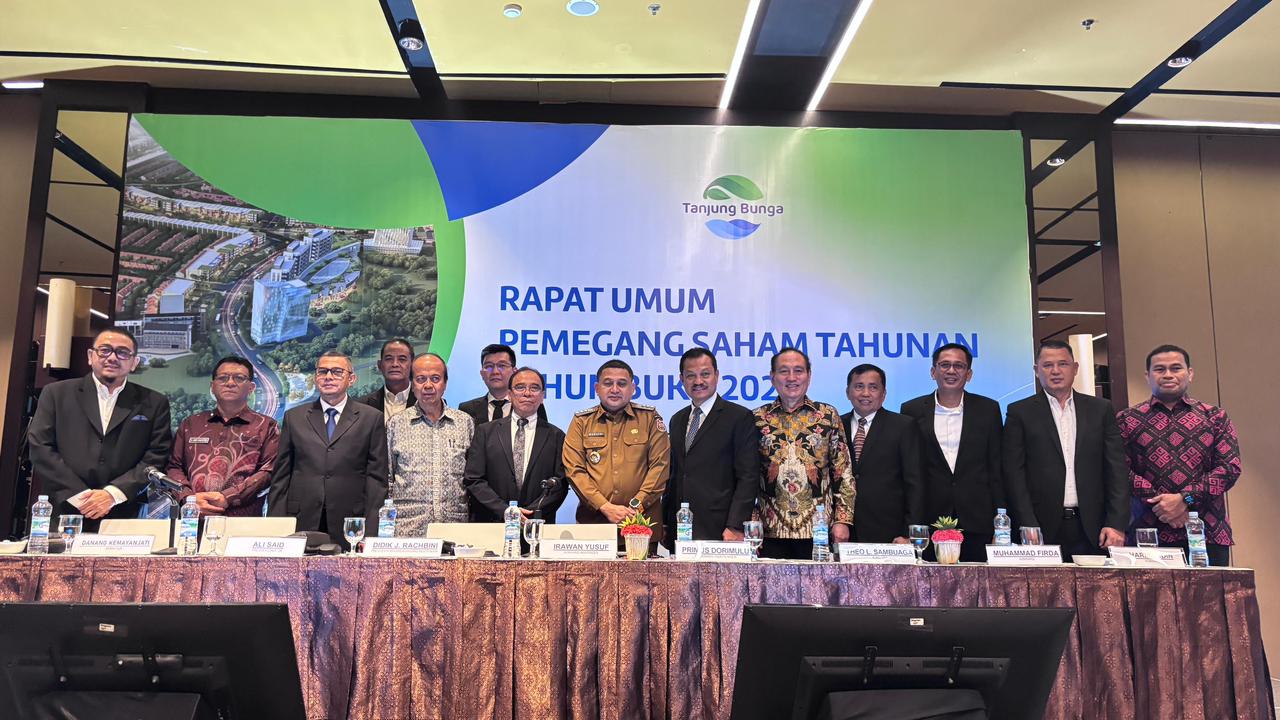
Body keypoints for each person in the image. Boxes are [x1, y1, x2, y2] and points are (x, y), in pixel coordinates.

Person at [28, 328, 172, 530]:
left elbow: (156, 455)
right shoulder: (56, 394)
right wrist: (81, 497)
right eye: (105, 350)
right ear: (90, 356)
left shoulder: (155, 402)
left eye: (122, 352)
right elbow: (40, 447)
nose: (112, 357)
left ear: (134, 363)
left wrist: (111, 494)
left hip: (125, 514)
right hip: (64, 509)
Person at [1118, 344, 1241, 567]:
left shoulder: (1215, 417)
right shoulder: (1127, 419)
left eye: (1176, 368)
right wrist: (1163, 505)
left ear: (1190, 373)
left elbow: (1229, 468)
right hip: (1148, 532)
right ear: (1147, 376)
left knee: (1209, 592)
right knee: (1149, 593)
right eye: (1159, 369)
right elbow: (1119, 470)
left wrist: (1185, 500)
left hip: (1207, 532)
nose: (1168, 375)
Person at [1003, 341, 1128, 557]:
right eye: (1047, 365)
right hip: (1040, 527)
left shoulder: (1100, 409)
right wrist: (1027, 523)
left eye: (1063, 364)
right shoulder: (1020, 412)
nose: (1056, 371)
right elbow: (1014, 474)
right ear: (1036, 370)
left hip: (1094, 526)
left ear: (1075, 368)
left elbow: (1116, 469)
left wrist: (1116, 523)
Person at [268, 351, 387, 547]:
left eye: (337, 372)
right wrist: (276, 527)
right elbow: (281, 477)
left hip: (350, 522)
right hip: (301, 518)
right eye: (323, 372)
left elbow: (376, 480)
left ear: (352, 379)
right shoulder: (294, 417)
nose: (328, 377)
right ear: (316, 378)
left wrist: (372, 532)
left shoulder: (371, 418)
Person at [900, 343, 1004, 561]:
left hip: (978, 519)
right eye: (944, 365)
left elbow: (996, 468)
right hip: (929, 520)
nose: (951, 371)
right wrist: (908, 524)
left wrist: (1001, 525)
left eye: (959, 366)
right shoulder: (911, 410)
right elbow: (909, 472)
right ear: (933, 371)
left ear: (969, 374)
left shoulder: (988, 409)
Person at [754, 348, 855, 559]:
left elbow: (843, 471)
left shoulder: (827, 416)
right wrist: (751, 520)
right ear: (772, 377)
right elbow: (747, 476)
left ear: (809, 375)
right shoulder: (757, 419)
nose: (791, 378)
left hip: (819, 531)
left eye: (798, 371)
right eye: (784, 371)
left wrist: (842, 520)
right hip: (769, 531)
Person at [563, 359, 670, 544]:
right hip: (595, 525)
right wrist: (604, 506)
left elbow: (660, 466)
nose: (614, 389)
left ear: (632, 388)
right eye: (608, 383)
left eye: (621, 383)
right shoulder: (581, 421)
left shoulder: (650, 418)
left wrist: (636, 506)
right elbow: (574, 470)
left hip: (640, 525)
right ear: (597, 388)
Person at [662, 348, 759, 549]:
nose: (698, 381)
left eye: (705, 374)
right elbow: (674, 475)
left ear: (717, 375)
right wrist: (665, 521)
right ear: (681, 379)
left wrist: (735, 525)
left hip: (721, 530)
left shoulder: (739, 417)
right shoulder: (677, 420)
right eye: (691, 376)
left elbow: (748, 476)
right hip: (680, 529)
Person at [166, 356, 279, 516]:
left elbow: (269, 470)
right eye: (223, 378)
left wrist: (227, 497)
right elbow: (173, 467)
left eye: (239, 378)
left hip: (243, 519)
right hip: (193, 518)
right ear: (212, 386)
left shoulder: (266, 426)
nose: (230, 383)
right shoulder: (191, 424)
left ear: (251, 387)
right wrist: (189, 499)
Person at [463, 367, 567, 522]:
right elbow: (474, 479)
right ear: (510, 394)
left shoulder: (556, 436)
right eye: (520, 387)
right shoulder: (485, 432)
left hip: (536, 523)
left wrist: (529, 514)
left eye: (534, 388)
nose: (527, 393)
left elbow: (561, 484)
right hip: (493, 523)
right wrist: (505, 511)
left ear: (542, 396)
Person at [387, 353, 475, 534]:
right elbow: (387, 478)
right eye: (421, 379)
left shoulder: (465, 422)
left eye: (435, 379)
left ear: (445, 383)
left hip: (455, 527)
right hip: (407, 529)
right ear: (412, 385)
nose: (428, 385)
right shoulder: (396, 423)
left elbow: (473, 478)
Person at [841, 364, 924, 545]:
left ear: (884, 393)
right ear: (848, 392)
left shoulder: (903, 426)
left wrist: (908, 532)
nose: (865, 393)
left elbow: (915, 483)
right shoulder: (836, 425)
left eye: (873, 387)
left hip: (890, 532)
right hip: (844, 532)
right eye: (859, 386)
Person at [459, 343, 547, 425]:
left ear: (514, 371)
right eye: (489, 367)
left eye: (502, 366)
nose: (495, 372)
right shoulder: (467, 409)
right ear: (482, 374)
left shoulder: (529, 404)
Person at [356, 338, 416, 424]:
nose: (395, 364)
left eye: (402, 359)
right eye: (389, 359)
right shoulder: (362, 406)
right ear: (380, 365)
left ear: (412, 364)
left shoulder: (424, 403)